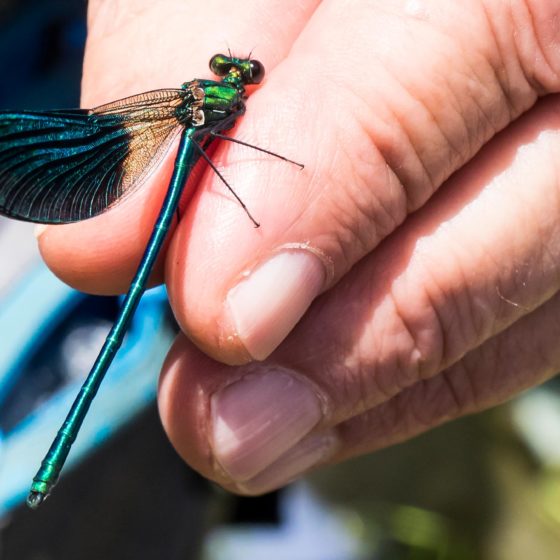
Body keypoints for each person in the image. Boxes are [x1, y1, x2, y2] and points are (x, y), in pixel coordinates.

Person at [36, 0, 560, 495]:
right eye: (229, 68)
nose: (236, 74)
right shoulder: (201, 99)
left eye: (246, 72)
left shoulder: (211, 96)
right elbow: (231, 147)